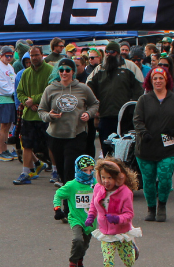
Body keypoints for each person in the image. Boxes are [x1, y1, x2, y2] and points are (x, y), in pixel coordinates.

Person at [84, 157, 142, 267]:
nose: (106, 181)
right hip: (105, 234)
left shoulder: (125, 193)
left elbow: (129, 214)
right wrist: (91, 216)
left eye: (110, 177)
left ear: (118, 177)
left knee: (129, 262)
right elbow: (94, 204)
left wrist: (117, 218)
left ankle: (133, 247)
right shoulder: (98, 188)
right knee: (107, 262)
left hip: (121, 233)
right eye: (103, 177)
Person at [133, 66, 174, 221]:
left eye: (161, 78)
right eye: (155, 78)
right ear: (150, 81)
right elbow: (137, 120)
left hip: (168, 148)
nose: (158, 81)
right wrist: (143, 133)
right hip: (146, 147)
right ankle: (151, 209)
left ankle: (162, 205)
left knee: (164, 178)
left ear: (167, 80)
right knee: (148, 180)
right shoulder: (143, 100)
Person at [40, 58, 99, 187]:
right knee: (61, 170)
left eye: (67, 70)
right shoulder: (50, 89)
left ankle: (68, 205)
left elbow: (95, 104)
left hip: (76, 134)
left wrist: (88, 114)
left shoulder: (82, 88)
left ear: (73, 71)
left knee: (70, 170)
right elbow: (41, 111)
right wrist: (49, 116)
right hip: (56, 135)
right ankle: (68, 197)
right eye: (61, 70)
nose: (64, 73)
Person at [87, 42, 142, 155]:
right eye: (107, 52)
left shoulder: (130, 66)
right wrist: (95, 108)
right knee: (106, 147)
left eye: (112, 52)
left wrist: (132, 109)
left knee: (125, 149)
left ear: (118, 53)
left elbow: (140, 88)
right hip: (105, 115)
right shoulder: (99, 69)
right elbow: (88, 88)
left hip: (125, 117)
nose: (109, 54)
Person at [13, 46, 53, 184]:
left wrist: (34, 100)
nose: (34, 58)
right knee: (27, 145)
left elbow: (51, 90)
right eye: (32, 56)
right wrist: (28, 103)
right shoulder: (25, 73)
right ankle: (26, 172)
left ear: (42, 55)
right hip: (29, 115)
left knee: (50, 145)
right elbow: (19, 92)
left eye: (36, 55)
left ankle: (55, 171)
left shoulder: (50, 71)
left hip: (45, 115)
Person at [54, 154, 98, 267]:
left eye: (91, 170)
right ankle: (72, 263)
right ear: (78, 170)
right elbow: (58, 194)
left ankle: (80, 259)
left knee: (84, 245)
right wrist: (57, 209)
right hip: (76, 218)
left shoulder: (96, 184)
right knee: (78, 240)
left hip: (91, 220)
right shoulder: (72, 185)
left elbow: (104, 198)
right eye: (85, 170)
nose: (88, 173)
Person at [0, 46, 18, 160]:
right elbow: (1, 84)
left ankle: (5, 149)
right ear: (1, 55)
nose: (9, 57)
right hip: (2, 99)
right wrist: (12, 92)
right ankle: (1, 151)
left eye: (11, 55)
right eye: (6, 55)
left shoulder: (10, 67)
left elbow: (14, 80)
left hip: (10, 98)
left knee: (8, 126)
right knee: (3, 126)